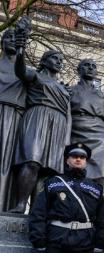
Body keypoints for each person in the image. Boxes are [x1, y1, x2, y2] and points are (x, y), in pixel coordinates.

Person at [10, 31, 71, 213]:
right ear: (44, 61)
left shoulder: (63, 86)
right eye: (55, 58)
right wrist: (21, 49)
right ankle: (20, 204)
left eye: (61, 59)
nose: (59, 62)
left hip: (58, 123)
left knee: (48, 170)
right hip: (37, 116)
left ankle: (38, 209)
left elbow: (69, 113)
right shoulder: (36, 76)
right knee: (31, 161)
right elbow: (19, 70)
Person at [28, 143, 104, 253]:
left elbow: (103, 218)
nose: (78, 159)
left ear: (85, 162)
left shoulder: (95, 187)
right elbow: (38, 212)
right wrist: (39, 241)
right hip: (56, 240)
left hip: (85, 242)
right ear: (67, 160)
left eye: (82, 157)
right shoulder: (52, 183)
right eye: (74, 156)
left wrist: (100, 243)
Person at [70, 58, 104, 204]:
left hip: (100, 138)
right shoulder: (70, 91)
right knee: (75, 171)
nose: (90, 68)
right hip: (76, 133)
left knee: (102, 174)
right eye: (86, 65)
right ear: (79, 70)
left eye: (93, 66)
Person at [0, 28, 26, 211]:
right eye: (8, 37)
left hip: (16, 117)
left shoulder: (25, 71)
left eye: (15, 38)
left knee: (9, 162)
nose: (11, 40)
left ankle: (4, 205)